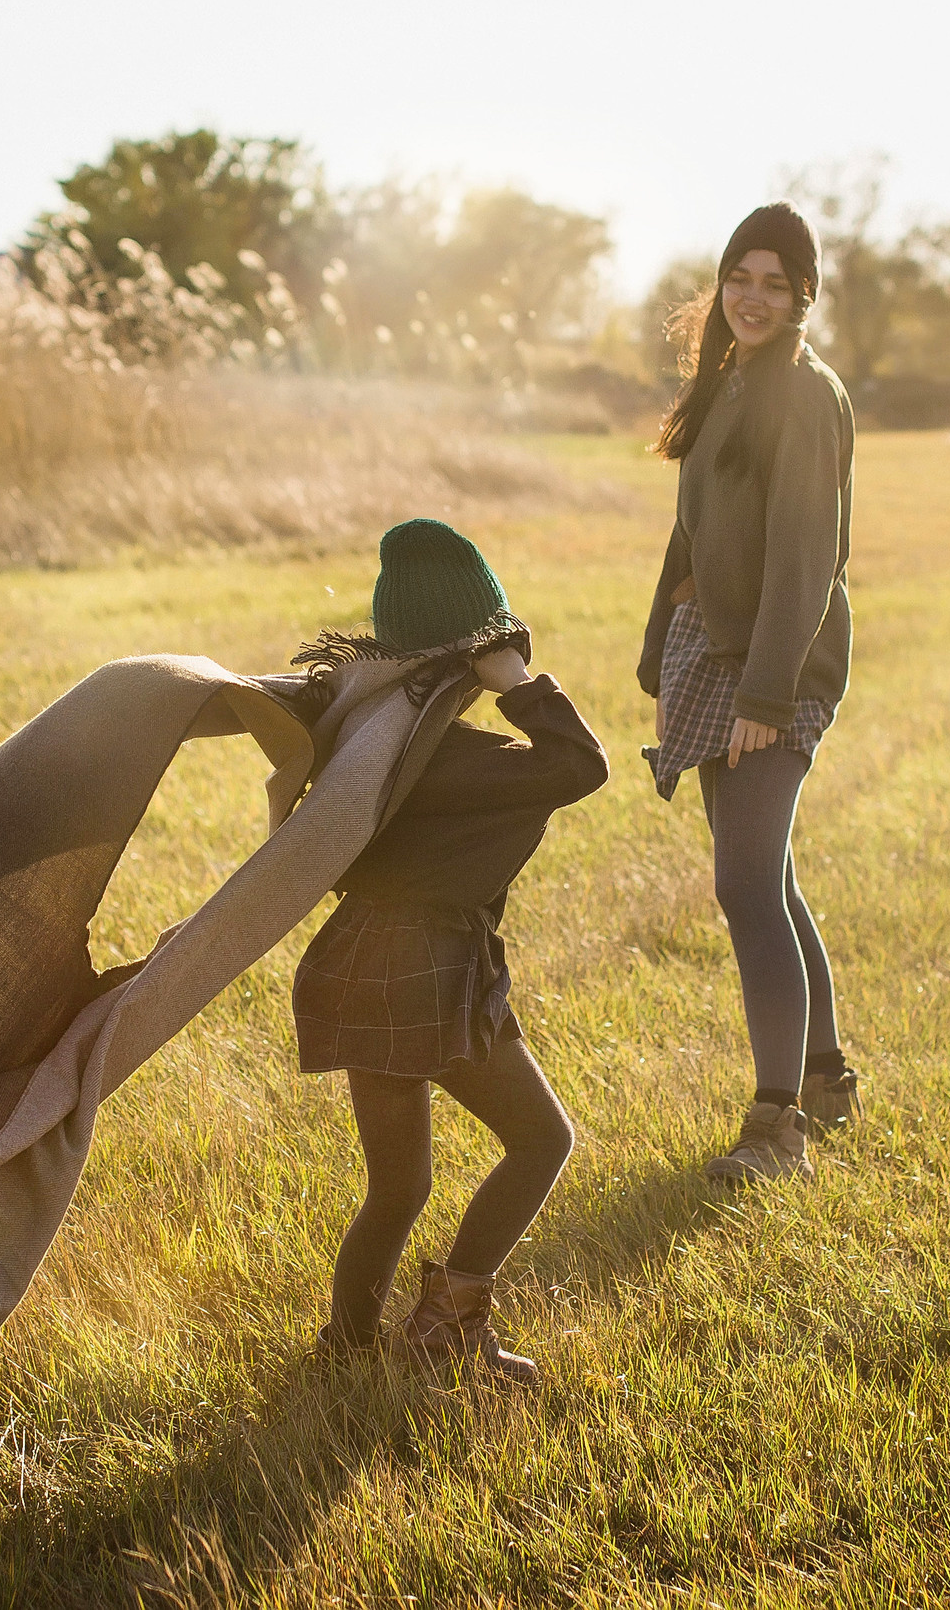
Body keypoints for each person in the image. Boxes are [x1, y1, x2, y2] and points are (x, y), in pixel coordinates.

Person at [295, 518, 609, 1381]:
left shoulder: (364, 752)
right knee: (544, 1141)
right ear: (475, 656)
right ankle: (445, 1325)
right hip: (426, 970)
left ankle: (346, 1349)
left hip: (355, 963)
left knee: (397, 1187)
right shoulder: (475, 762)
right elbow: (582, 765)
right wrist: (519, 681)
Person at [637, 202, 860, 1185]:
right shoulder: (725, 385)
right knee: (766, 878)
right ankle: (826, 1077)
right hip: (715, 655)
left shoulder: (802, 395)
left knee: (741, 885)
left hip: (780, 663)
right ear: (719, 286)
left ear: (804, 295)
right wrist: (659, 651)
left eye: (775, 283)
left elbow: (805, 562)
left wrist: (766, 698)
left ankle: (777, 1132)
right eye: (740, 278)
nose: (753, 297)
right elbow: (691, 535)